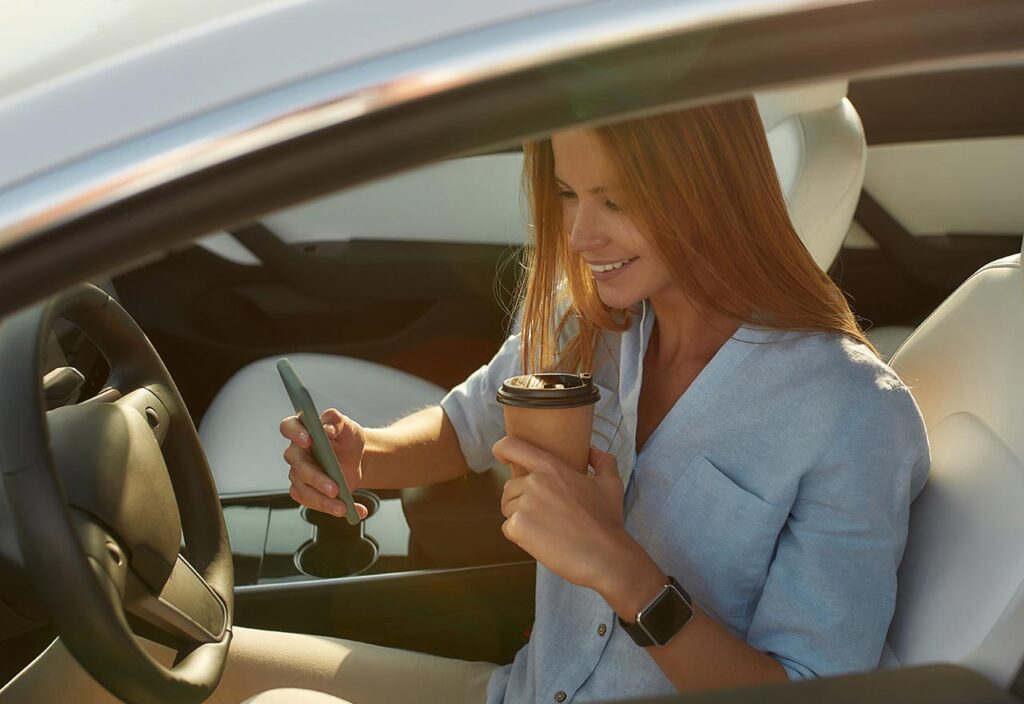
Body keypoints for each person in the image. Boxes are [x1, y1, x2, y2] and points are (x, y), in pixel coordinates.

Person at [269, 95, 930, 703]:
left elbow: (809, 693)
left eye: (615, 200)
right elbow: (463, 426)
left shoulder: (854, 414)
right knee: (197, 654)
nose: (581, 236)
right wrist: (362, 457)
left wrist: (617, 565)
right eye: (566, 193)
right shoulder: (585, 322)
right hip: (518, 690)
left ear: (714, 190)